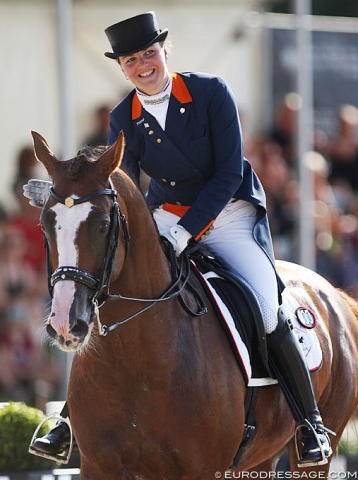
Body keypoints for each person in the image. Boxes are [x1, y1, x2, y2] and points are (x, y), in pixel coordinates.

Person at [25, 11, 331, 466]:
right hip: (164, 219)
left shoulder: (210, 93)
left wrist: (188, 231)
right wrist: (69, 198)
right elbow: (119, 186)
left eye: (149, 54)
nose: (143, 65)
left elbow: (228, 173)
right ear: (122, 68)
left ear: (164, 52)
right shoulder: (123, 116)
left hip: (226, 215)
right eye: (131, 60)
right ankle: (71, 419)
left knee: (267, 305)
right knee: (112, 298)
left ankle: (309, 424)